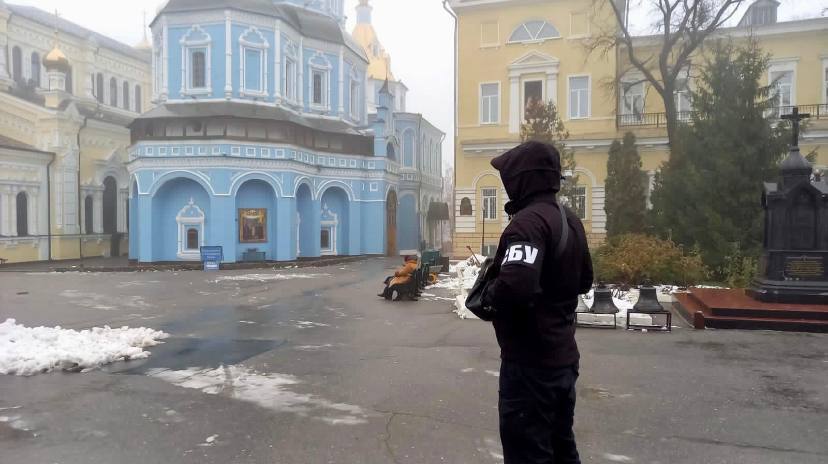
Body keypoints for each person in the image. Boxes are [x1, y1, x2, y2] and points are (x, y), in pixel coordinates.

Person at [482, 141, 593, 464]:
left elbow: (517, 286)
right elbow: (585, 280)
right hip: (562, 361)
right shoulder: (569, 220)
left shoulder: (528, 224)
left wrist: (489, 296)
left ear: (523, 180)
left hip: (530, 366)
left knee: (528, 454)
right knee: (561, 450)